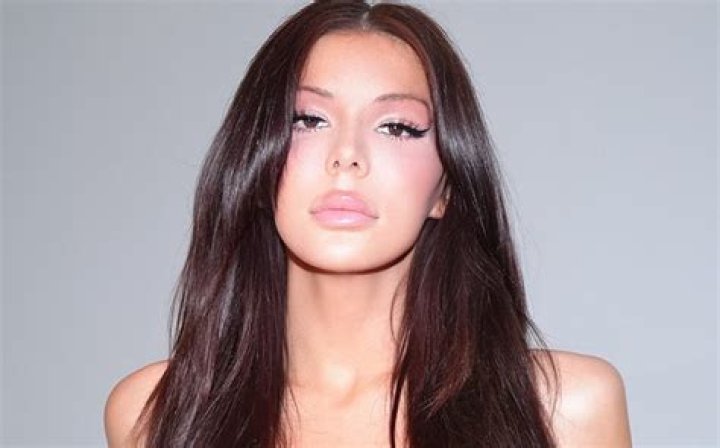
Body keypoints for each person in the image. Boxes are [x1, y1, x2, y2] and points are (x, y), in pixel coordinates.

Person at [104, 1, 631, 446]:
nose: (347, 156)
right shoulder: (153, 414)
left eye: (397, 127)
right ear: (257, 162)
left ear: (446, 187)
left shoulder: (566, 411)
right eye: (308, 120)